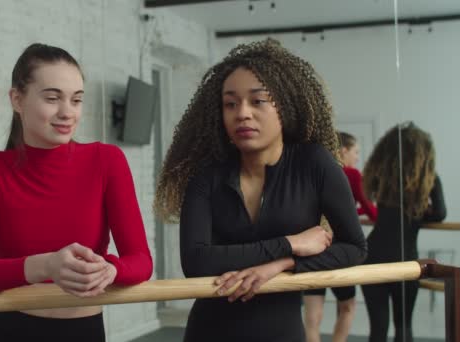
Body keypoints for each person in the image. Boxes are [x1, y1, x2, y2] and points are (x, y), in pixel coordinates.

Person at [153, 38, 367, 342]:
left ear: (285, 106)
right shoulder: (206, 175)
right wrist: (290, 243)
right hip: (210, 332)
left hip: (281, 332)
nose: (242, 113)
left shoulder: (313, 163)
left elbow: (354, 248)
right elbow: (197, 262)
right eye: (230, 103)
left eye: (258, 101)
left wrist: (282, 264)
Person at [0, 43, 153, 341]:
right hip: (7, 331)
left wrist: (109, 270)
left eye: (76, 100)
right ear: (17, 99)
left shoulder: (107, 161)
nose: (67, 112)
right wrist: (46, 265)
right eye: (52, 98)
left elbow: (141, 260)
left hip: (82, 331)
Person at [361, 122, 446, 342]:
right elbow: (440, 213)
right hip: (404, 259)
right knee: (403, 327)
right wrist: (417, 213)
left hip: (373, 255)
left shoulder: (382, 176)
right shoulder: (429, 179)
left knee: (378, 329)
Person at [303, 131, 377, 342]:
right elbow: (371, 211)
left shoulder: (314, 171)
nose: (356, 157)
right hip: (339, 249)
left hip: (313, 246)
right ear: (343, 150)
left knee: (312, 316)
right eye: (355, 151)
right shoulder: (352, 174)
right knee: (347, 307)